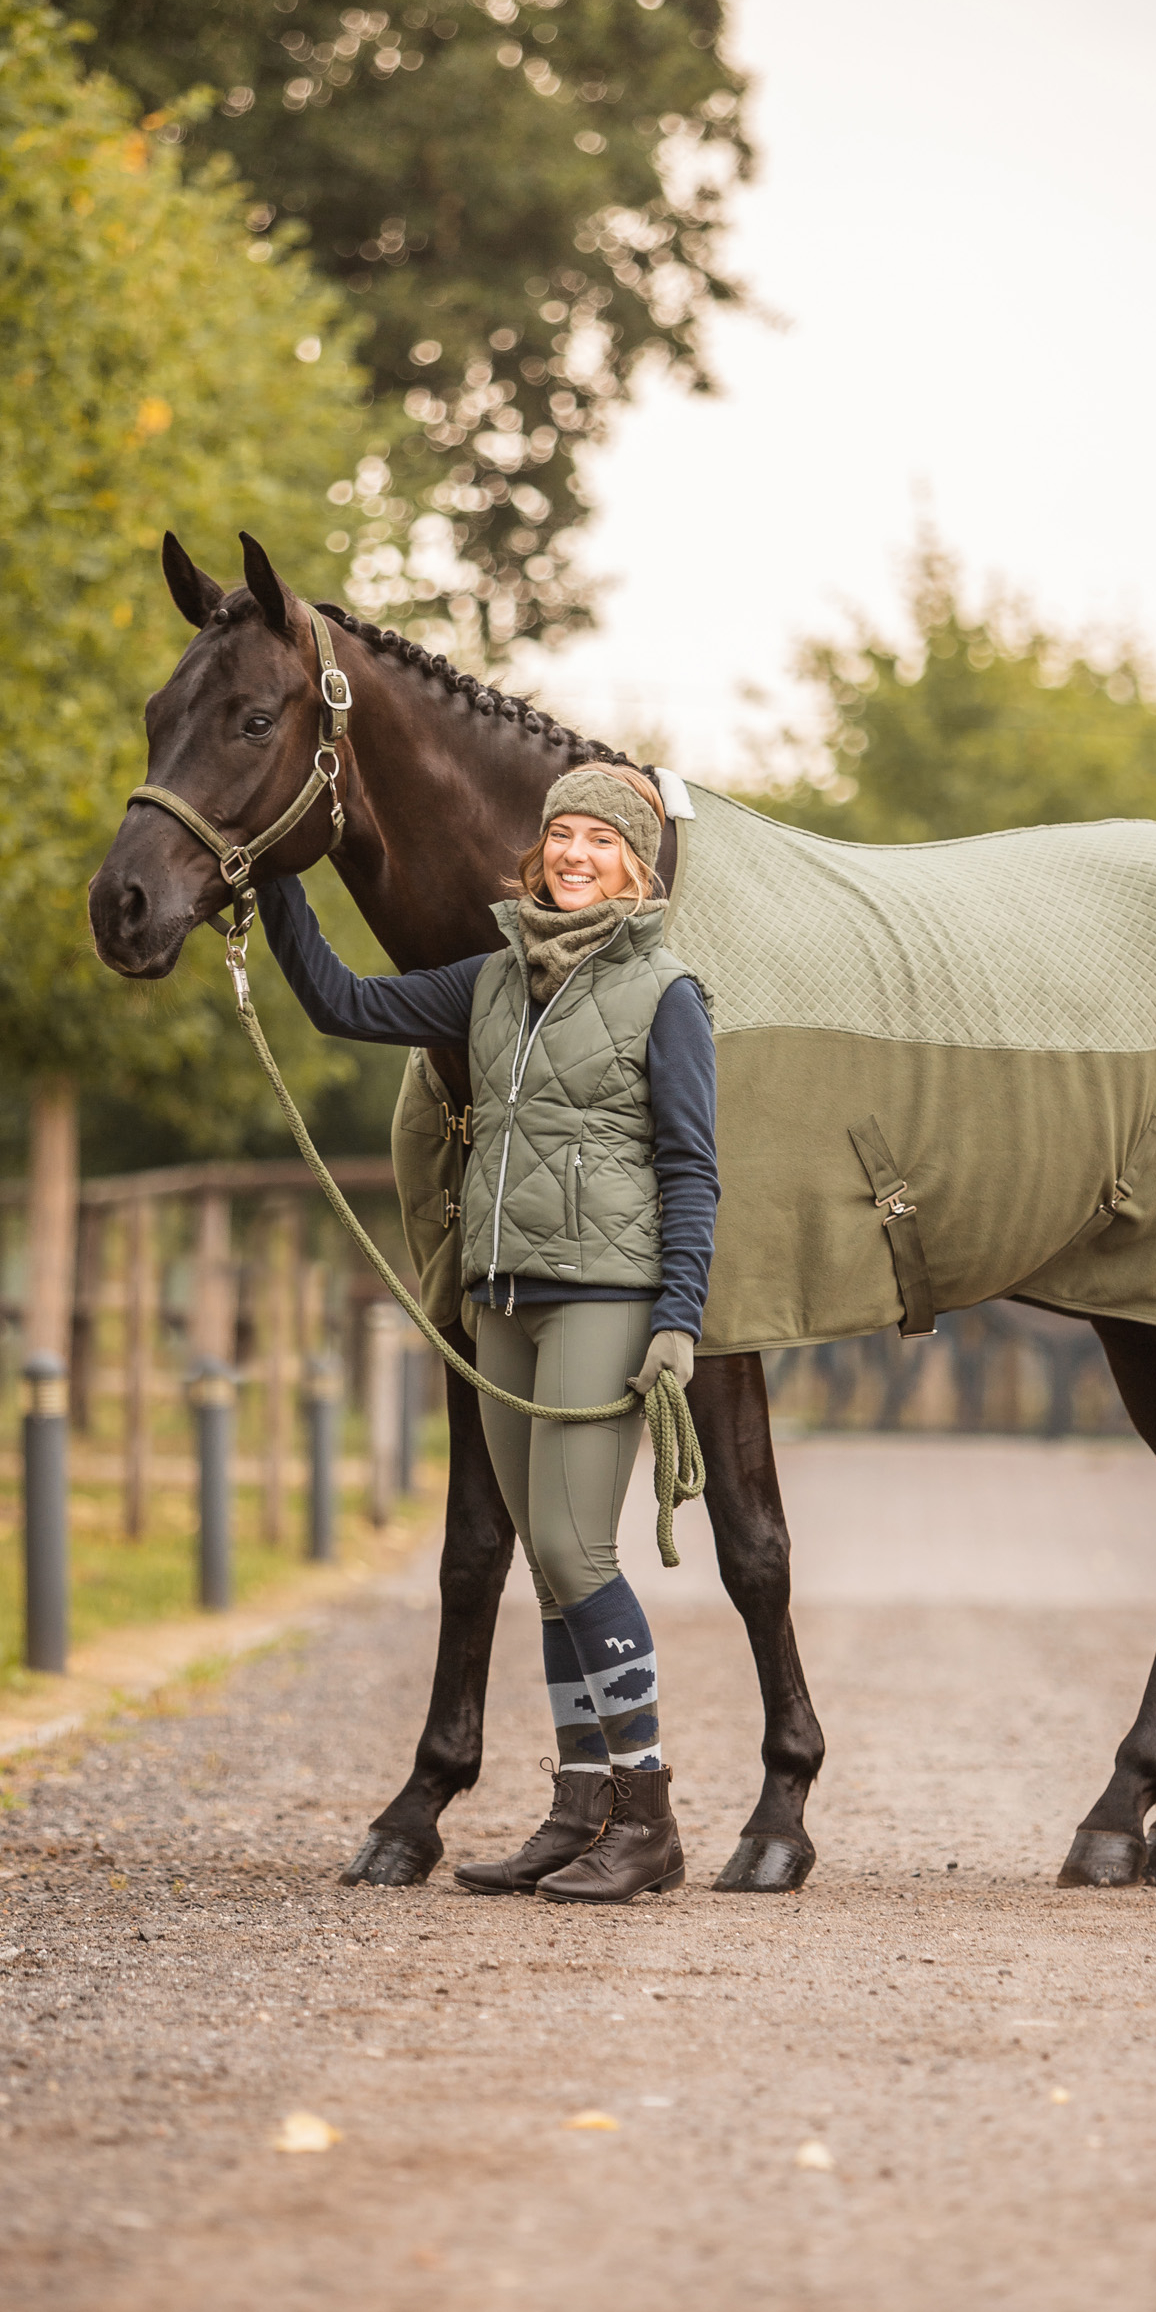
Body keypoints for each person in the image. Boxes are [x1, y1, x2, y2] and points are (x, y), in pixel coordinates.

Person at [255, 765, 718, 1904]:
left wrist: (677, 1320)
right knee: (549, 1578)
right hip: (500, 1293)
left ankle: (647, 1815)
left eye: (598, 842)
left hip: (604, 1293)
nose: (573, 854)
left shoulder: (667, 994)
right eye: (559, 835)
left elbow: (692, 1168)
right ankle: (577, 1805)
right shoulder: (493, 978)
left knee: (575, 1551)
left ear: (636, 869)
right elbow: (344, 1006)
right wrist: (275, 887)